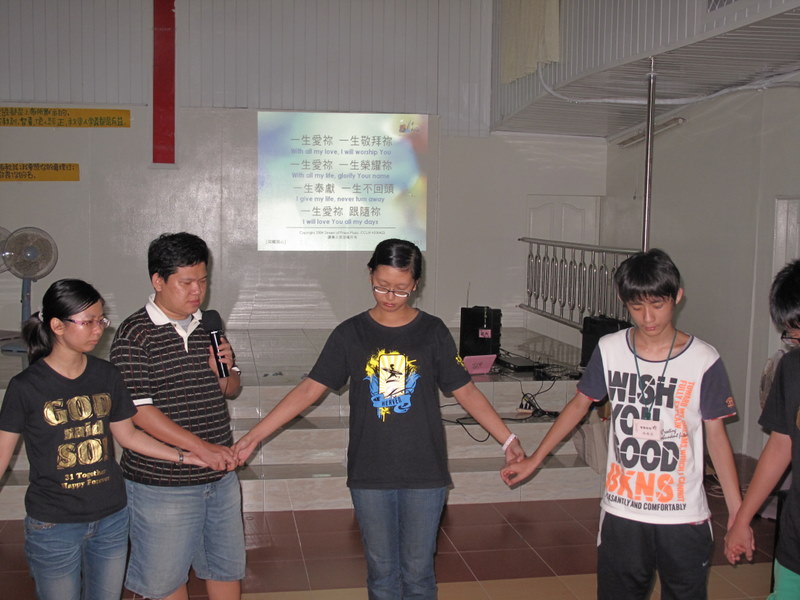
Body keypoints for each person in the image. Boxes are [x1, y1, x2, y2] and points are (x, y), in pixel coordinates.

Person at [233, 238, 524, 600]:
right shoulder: (350, 333)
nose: (390, 296)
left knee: (419, 573)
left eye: (401, 289)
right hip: (370, 470)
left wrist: (508, 440)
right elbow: (309, 390)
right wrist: (254, 436)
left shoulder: (432, 332)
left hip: (424, 470)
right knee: (382, 573)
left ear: (416, 284)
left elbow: (466, 391)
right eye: (382, 286)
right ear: (370, 274)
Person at [501, 248, 742, 600]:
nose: (648, 317)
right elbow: (579, 405)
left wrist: (738, 513)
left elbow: (717, 437)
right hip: (622, 513)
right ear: (622, 300)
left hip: (683, 516)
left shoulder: (704, 359)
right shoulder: (610, 349)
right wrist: (534, 460)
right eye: (637, 307)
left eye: (657, 304)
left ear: (677, 296)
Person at [0, 279, 205, 600]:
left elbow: (128, 435)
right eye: (88, 322)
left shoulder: (107, 374)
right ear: (57, 326)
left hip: (111, 517)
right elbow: (1, 458)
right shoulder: (26, 387)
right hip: (54, 524)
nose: (98, 330)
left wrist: (184, 456)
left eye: (101, 320)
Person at [110, 232, 244, 600]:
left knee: (225, 568)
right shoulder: (134, 335)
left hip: (218, 473)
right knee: (166, 581)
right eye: (186, 282)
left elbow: (230, 389)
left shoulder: (208, 327)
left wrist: (225, 370)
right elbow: (141, 412)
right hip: (162, 482)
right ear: (158, 280)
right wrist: (201, 449)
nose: (197, 291)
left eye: (203, 281)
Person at [725, 259, 800, 598]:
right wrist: (742, 519)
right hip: (795, 543)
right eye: (794, 333)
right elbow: (780, 446)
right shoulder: (792, 367)